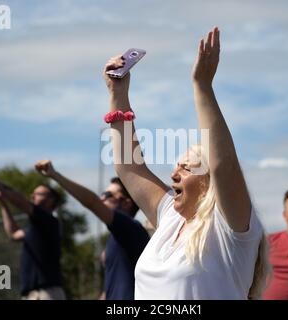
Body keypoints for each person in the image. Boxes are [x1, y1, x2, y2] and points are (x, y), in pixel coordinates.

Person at [103, 26, 269, 300]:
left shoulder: (230, 228)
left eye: (187, 167)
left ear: (209, 182)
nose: (173, 174)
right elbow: (129, 166)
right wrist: (117, 93)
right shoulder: (170, 217)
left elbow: (224, 165)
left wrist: (202, 87)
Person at [34, 160, 150, 300]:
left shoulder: (131, 227)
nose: (101, 198)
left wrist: (55, 175)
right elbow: (109, 289)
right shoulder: (118, 235)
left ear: (126, 203)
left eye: (108, 195)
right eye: (102, 194)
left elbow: (92, 202)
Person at [0, 165, 65, 300]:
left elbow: (19, 200)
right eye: (33, 194)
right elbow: (14, 233)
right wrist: (4, 204)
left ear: (51, 200)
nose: (33, 196)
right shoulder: (37, 227)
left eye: (38, 194)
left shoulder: (49, 221)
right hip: (32, 293)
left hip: (46, 292)